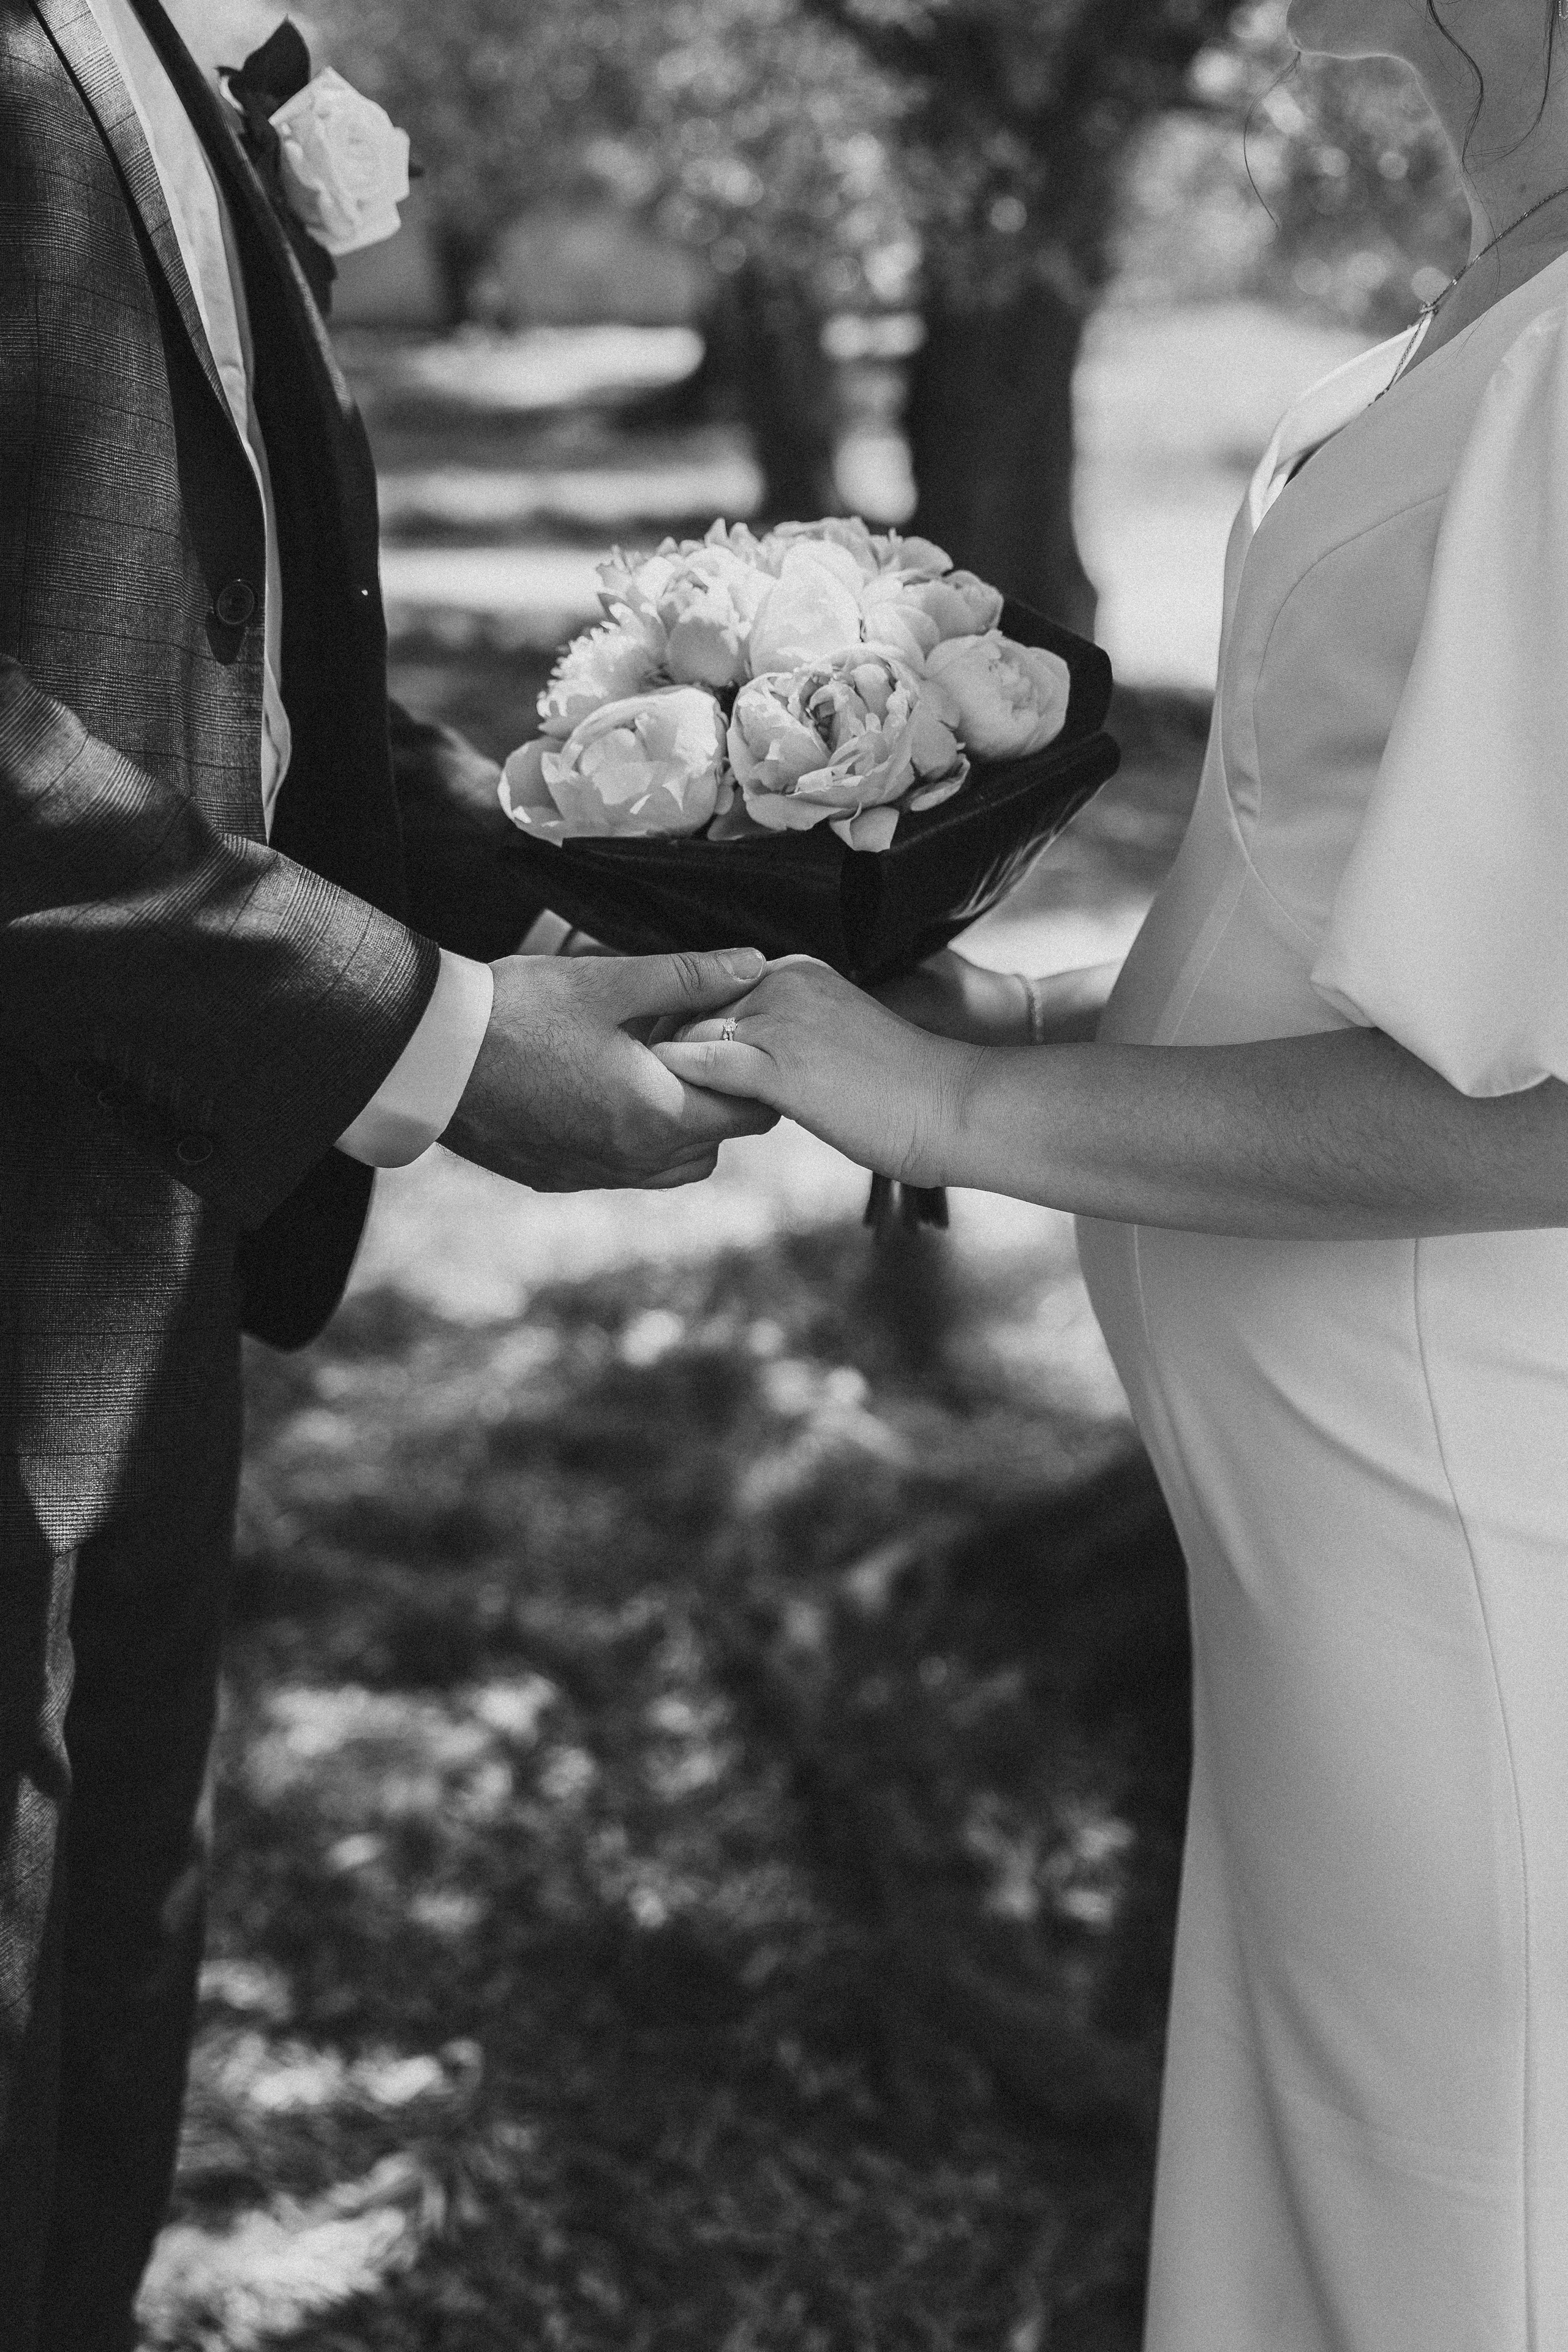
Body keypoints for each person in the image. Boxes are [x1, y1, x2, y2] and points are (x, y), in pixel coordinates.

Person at [658, 4, 1568, 2343]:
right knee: (1334, 2200)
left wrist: (971, 1120)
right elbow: (1364, 941)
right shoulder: (1472, 309)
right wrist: (1007, 1026)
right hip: (1318, 1524)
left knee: (1462, 2229)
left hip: (1478, 1506)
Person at [0, 1, 773, 2341]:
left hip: (127, 1253)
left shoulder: (145, 34)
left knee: (93, 1982)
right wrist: (429, 1040)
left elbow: (200, 643)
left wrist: (586, 882)